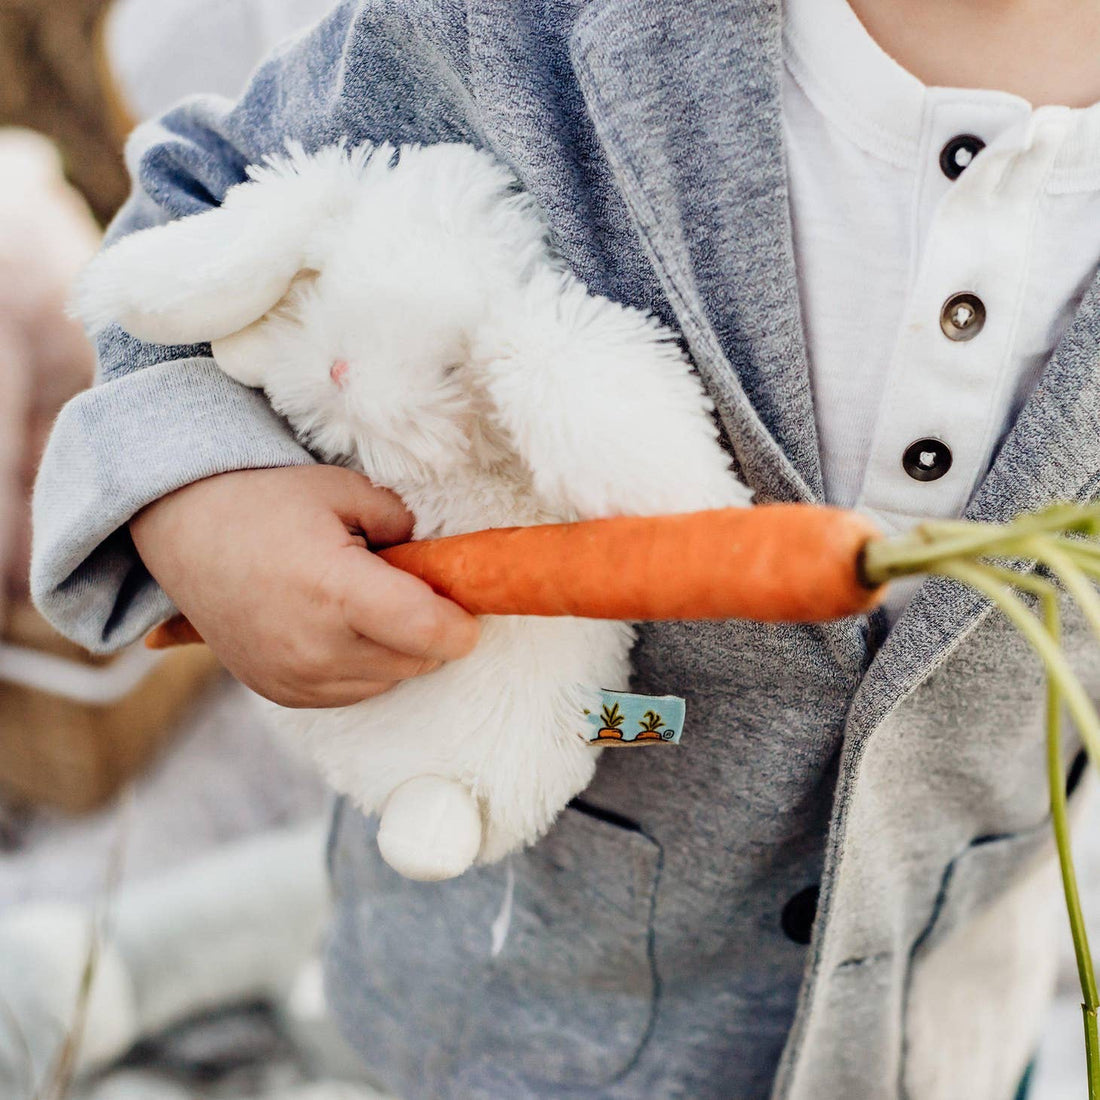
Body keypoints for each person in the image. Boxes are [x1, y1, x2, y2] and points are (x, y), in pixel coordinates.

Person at [31, 0, 1100, 1096]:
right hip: (515, 1013)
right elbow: (197, 205)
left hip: (934, 1034)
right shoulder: (495, 25)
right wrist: (206, 492)